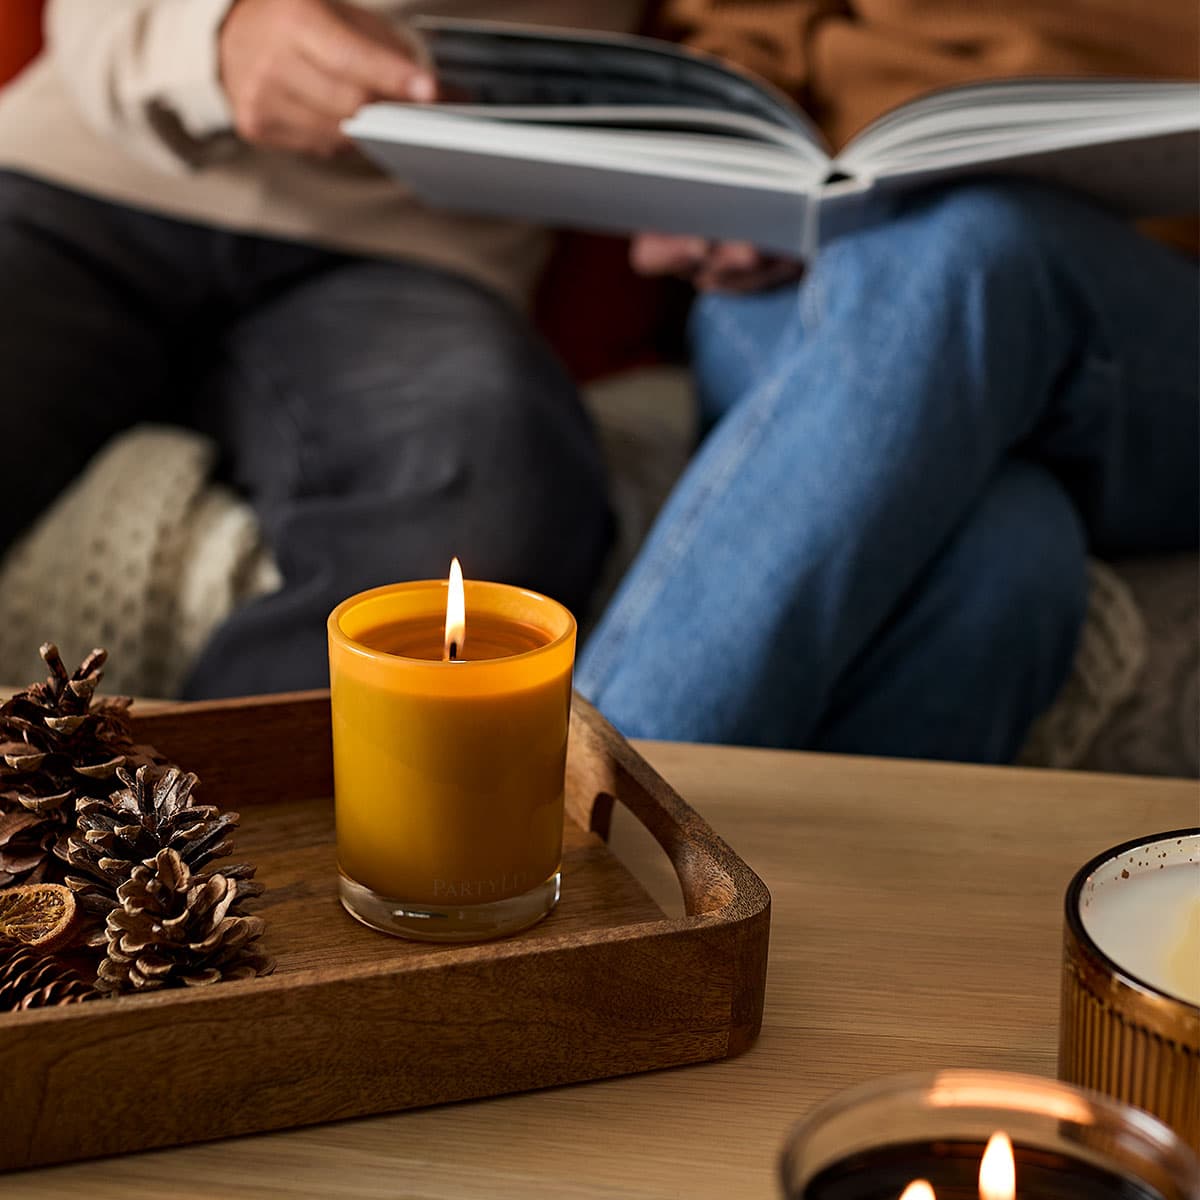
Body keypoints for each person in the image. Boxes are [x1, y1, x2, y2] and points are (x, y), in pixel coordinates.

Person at [577, 0, 1200, 763]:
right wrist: (727, 165)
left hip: (1149, 308)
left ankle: (579, 823)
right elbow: (736, 29)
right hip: (833, 256)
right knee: (1007, 559)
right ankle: (760, 880)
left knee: (971, 247)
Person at [0, 0, 642, 698]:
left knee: (495, 491)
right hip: (78, 170)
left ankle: (216, 803)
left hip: (415, 241)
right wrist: (209, 36)